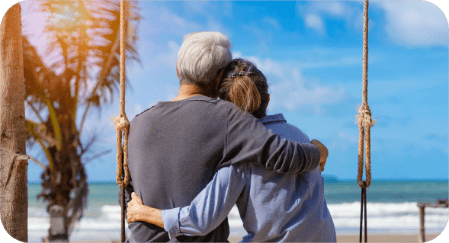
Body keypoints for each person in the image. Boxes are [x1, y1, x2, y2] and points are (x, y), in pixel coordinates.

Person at [118, 32, 327, 242]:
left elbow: (125, 193)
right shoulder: (226, 117)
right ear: (218, 78)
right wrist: (319, 151)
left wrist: (143, 213)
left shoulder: (136, 123)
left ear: (177, 69)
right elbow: (282, 154)